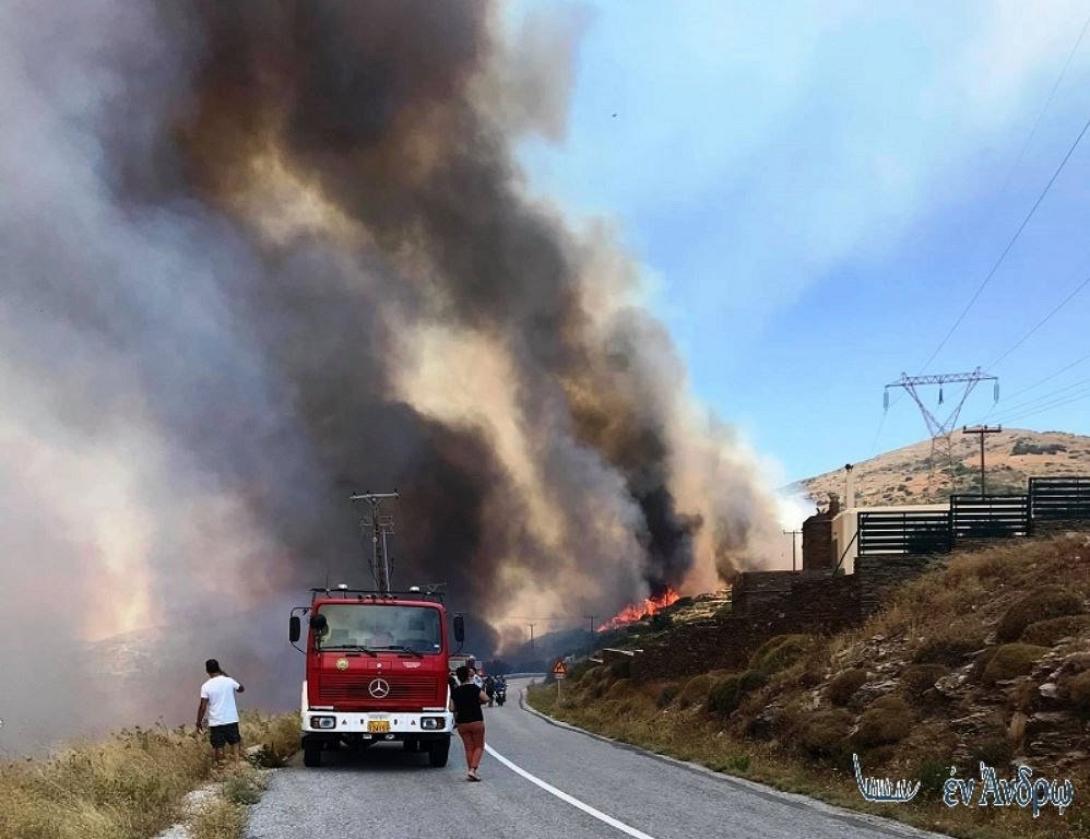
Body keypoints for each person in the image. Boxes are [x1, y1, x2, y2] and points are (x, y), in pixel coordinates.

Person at [196, 659, 245, 768]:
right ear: (219, 668)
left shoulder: (206, 686)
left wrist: (198, 722)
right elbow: (241, 689)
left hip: (216, 721)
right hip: (231, 718)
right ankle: (237, 766)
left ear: (207, 671)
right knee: (235, 742)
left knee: (218, 746)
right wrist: (225, 674)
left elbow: (203, 706)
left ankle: (221, 769)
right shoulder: (229, 681)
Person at [448, 665, 488, 781]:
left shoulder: (455, 691)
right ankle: (473, 770)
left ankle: (471, 771)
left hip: (462, 723)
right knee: (479, 746)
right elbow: (486, 698)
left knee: (468, 748)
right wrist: (477, 702)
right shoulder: (474, 688)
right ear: (469, 675)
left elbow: (451, 708)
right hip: (476, 720)